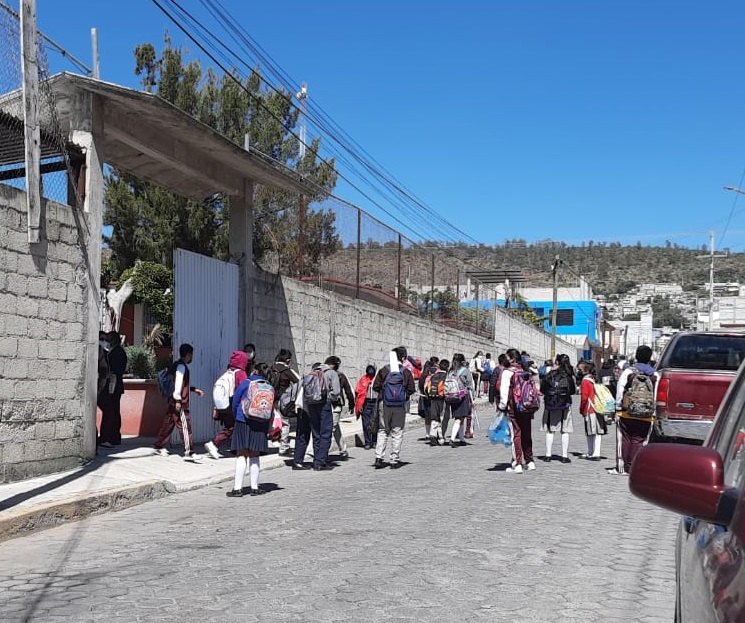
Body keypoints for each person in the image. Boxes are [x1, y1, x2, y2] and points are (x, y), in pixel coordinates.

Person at [225, 362, 272, 497]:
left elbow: (235, 402)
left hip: (243, 420)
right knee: (255, 455)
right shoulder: (268, 386)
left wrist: (237, 415)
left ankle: (237, 488)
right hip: (261, 422)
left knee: (241, 454)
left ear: (254, 370)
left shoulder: (246, 383)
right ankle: (255, 487)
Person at [153, 343, 205, 461]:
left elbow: (181, 384)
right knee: (185, 427)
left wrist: (193, 389)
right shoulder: (181, 367)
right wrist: (178, 400)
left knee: (168, 424)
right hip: (179, 402)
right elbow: (178, 385)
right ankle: (189, 452)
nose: (192, 357)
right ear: (188, 354)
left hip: (173, 400)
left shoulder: (177, 365)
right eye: (191, 355)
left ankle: (158, 446)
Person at [612, 345, 657, 475]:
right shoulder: (655, 375)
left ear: (636, 356)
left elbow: (620, 390)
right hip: (647, 415)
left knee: (624, 439)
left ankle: (621, 468)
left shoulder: (629, 372)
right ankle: (634, 468)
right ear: (649, 358)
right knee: (639, 440)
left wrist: (617, 407)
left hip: (626, 412)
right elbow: (656, 394)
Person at [372, 346, 416, 469]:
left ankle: (379, 458)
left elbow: (375, 386)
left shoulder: (384, 370)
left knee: (383, 430)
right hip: (399, 406)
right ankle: (394, 459)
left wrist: (385, 394)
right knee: (397, 431)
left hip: (384, 404)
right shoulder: (406, 372)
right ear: (403, 358)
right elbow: (411, 389)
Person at [499, 348, 538, 473]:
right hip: (527, 406)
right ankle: (530, 461)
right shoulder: (526, 371)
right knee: (527, 432)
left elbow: (504, 392)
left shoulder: (507, 372)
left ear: (511, 358)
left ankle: (518, 463)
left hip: (513, 407)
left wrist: (502, 406)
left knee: (516, 434)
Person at [204, 350, 248, 460]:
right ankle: (214, 444)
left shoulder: (229, 371)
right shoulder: (240, 373)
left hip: (225, 404)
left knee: (229, 427)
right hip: (234, 405)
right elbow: (243, 389)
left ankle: (219, 445)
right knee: (231, 428)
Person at [539, 354, 576, 463]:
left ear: (557, 363)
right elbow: (573, 391)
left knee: (550, 430)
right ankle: (564, 456)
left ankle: (548, 455)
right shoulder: (568, 376)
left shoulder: (549, 375)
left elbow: (542, 389)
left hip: (551, 405)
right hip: (565, 405)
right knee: (565, 430)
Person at [268, 349, 300, 457]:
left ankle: (272, 440)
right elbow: (298, 381)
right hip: (283, 400)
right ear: (288, 360)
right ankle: (284, 447)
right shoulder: (286, 370)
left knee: (271, 421)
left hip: (270, 399)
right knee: (285, 423)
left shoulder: (271, 367)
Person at [98, 331, 127, 448]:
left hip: (114, 386)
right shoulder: (112, 351)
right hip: (111, 386)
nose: (106, 342)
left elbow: (116, 370)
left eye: (108, 339)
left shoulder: (118, 352)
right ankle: (110, 436)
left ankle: (113, 436)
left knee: (113, 411)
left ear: (113, 340)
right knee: (112, 411)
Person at [325, 355, 353, 461]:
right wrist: (351, 403)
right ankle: (343, 449)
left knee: (331, 428)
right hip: (330, 405)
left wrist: (351, 404)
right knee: (335, 428)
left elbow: (348, 390)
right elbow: (348, 391)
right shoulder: (332, 374)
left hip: (335, 405)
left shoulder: (340, 376)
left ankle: (324, 451)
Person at [578, 360, 606, 461]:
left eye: (580, 369)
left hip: (589, 408)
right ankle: (595, 452)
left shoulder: (585, 381)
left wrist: (581, 409)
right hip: (598, 407)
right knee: (597, 432)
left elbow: (584, 398)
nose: (579, 371)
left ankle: (592, 452)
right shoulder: (593, 379)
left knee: (590, 432)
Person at [448, 353, 475, 447]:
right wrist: (473, 399)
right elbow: (470, 386)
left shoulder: (450, 371)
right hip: (463, 396)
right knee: (459, 418)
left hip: (452, 396)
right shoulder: (466, 371)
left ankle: (462, 439)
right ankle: (452, 438)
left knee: (461, 417)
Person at [354, 364, 378, 449]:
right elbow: (358, 392)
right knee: (366, 423)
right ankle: (368, 442)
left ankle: (374, 441)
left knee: (375, 423)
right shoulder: (363, 379)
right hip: (366, 403)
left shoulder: (378, 379)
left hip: (375, 402)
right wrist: (359, 405)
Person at [427, 358, 449, 445]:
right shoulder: (447, 376)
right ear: (447, 367)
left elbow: (427, 387)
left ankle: (432, 435)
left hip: (433, 398)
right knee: (442, 417)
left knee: (434, 417)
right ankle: (441, 436)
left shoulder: (433, 376)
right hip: (442, 399)